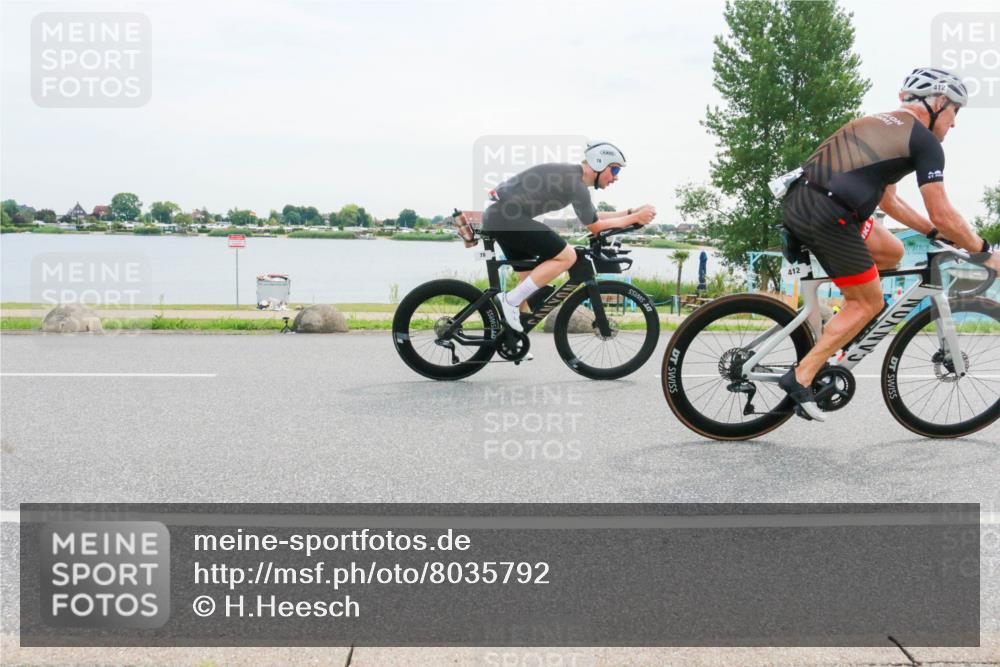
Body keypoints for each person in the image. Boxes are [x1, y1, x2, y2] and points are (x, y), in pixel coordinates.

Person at [779, 67, 1000, 421]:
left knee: (893, 251)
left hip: (803, 203)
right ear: (939, 103)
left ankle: (833, 323)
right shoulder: (924, 142)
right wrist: (985, 252)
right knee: (869, 302)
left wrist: (932, 234)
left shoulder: (877, 123)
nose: (954, 124)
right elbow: (942, 212)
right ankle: (801, 376)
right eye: (955, 112)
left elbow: (890, 203)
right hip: (831, 214)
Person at [483, 141, 656, 331]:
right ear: (599, 163)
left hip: (501, 218)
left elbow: (593, 218)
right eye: (614, 170)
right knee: (568, 256)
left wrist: (631, 213)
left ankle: (513, 338)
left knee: (528, 284)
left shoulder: (572, 178)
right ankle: (509, 301)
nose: (616, 178)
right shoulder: (575, 182)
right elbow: (596, 227)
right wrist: (635, 217)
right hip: (508, 220)